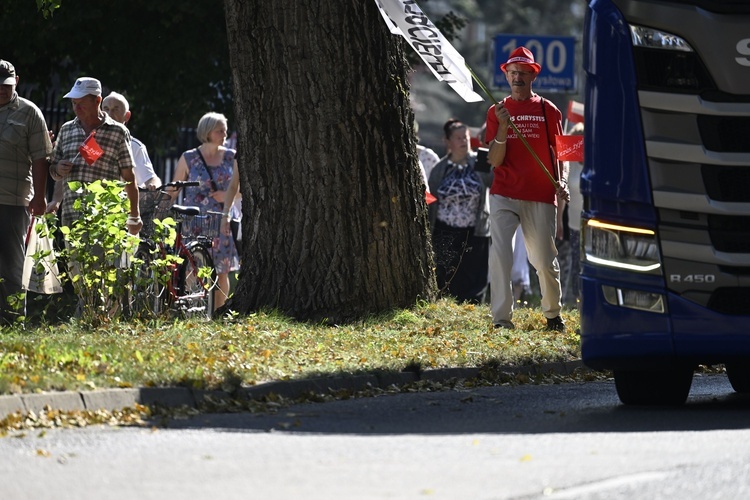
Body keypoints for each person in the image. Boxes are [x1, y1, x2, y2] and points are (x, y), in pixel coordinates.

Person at [484, 47, 569, 331]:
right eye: (512, 72)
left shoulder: (549, 110)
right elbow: (495, 161)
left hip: (540, 195)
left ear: (533, 75)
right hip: (504, 193)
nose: (517, 77)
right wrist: (503, 127)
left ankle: (553, 315)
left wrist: (563, 182)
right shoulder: (497, 112)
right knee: (501, 257)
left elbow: (563, 154)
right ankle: (501, 320)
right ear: (506, 76)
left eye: (523, 72)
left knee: (544, 260)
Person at [0, 60, 53, 325]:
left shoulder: (29, 113)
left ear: (16, 82)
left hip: (13, 200)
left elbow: (41, 158)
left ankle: (11, 320)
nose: (2, 90)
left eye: (6, 86)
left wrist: (40, 196)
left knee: (11, 264)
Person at [171, 112, 239, 310]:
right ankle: (190, 308)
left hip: (221, 220)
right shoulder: (189, 157)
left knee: (222, 270)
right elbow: (174, 188)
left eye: (225, 129)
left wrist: (227, 194)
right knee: (192, 266)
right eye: (220, 130)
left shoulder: (230, 156)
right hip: (195, 220)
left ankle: (219, 312)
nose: (224, 133)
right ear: (207, 132)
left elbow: (241, 192)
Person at [427, 119, 493, 303]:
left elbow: (496, 182)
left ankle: (473, 308)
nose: (464, 141)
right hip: (445, 232)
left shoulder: (481, 160)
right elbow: (432, 199)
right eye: (458, 138)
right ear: (447, 141)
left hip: (476, 232)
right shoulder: (440, 169)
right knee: (447, 278)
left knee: (474, 280)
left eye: (465, 137)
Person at [102, 91, 161, 189]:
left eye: (116, 110)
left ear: (127, 116)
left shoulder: (134, 147)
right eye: (106, 109)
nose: (110, 114)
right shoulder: (92, 141)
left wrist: (153, 185)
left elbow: (150, 178)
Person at [563, 122, 585, 308]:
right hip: (574, 223)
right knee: (576, 265)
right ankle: (578, 305)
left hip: (593, 222)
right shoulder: (569, 162)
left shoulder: (596, 162)